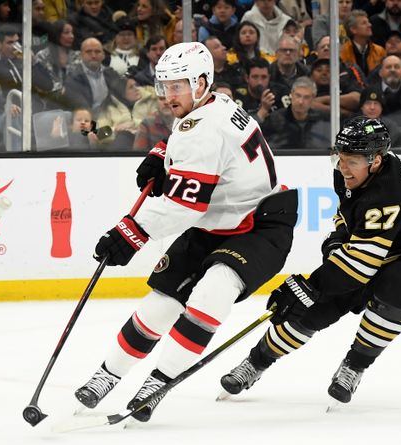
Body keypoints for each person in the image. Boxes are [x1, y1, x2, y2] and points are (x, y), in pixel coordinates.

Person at [73, 41, 297, 422]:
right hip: (217, 222)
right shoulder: (215, 102)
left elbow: (183, 205)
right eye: (164, 86)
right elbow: (189, 138)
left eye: (177, 86)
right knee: (161, 302)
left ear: (201, 82)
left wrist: (128, 235)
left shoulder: (202, 127)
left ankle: (158, 382)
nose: (167, 95)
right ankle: (106, 375)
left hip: (260, 227)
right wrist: (162, 156)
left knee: (212, 293)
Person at [219, 117, 401, 404]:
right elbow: (351, 216)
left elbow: (360, 267)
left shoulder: (390, 190)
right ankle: (256, 363)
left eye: (351, 161)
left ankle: (354, 366)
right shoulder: (350, 173)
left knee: (396, 284)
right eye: (340, 158)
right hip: (389, 247)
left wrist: (308, 285)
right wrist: (338, 240)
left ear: (375, 161)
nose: (342, 167)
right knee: (319, 301)